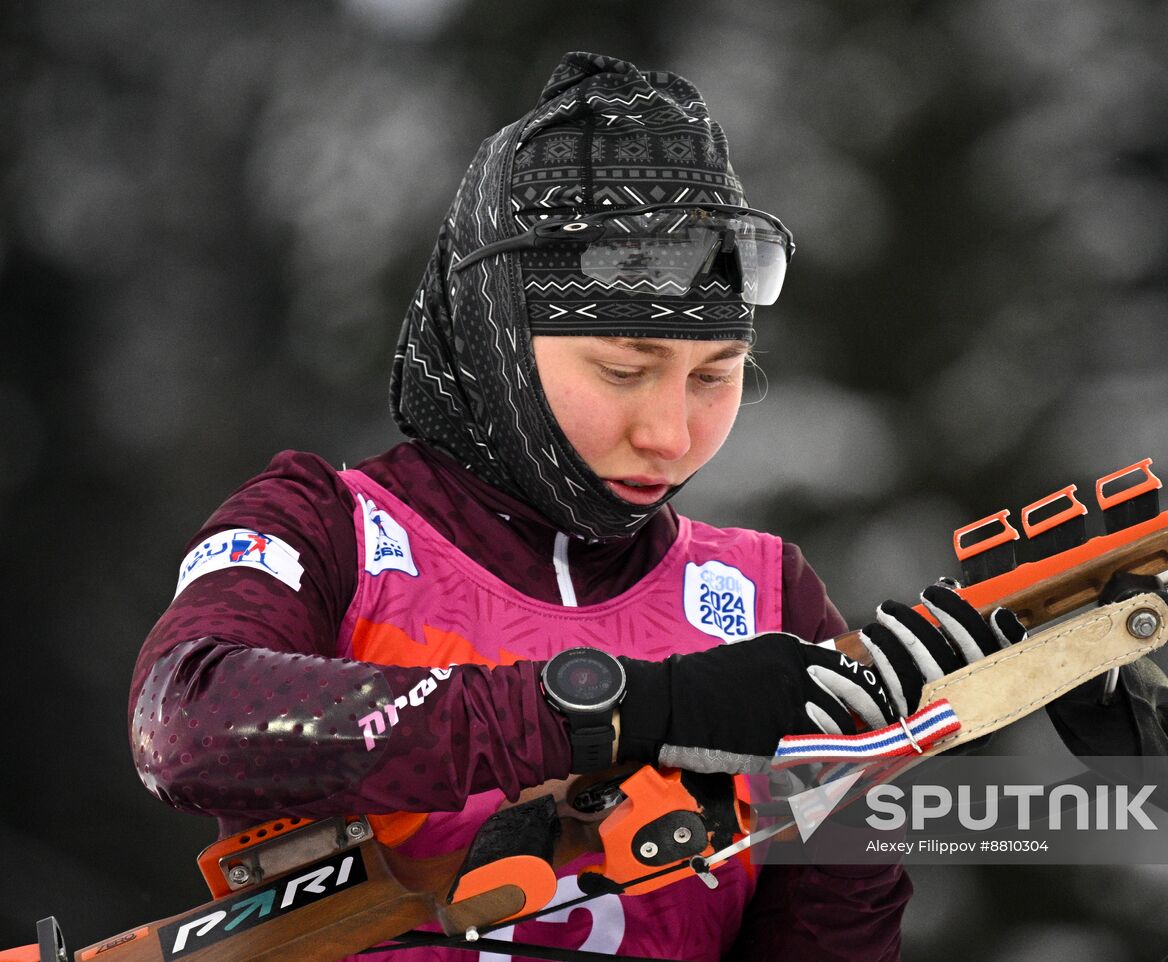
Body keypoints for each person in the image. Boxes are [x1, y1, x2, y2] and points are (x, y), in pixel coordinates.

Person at [129, 52, 1023, 961]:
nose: (672, 434)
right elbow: (188, 722)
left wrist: (862, 790)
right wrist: (627, 706)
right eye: (624, 371)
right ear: (495, 339)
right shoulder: (328, 528)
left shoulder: (759, 592)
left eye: (716, 377)